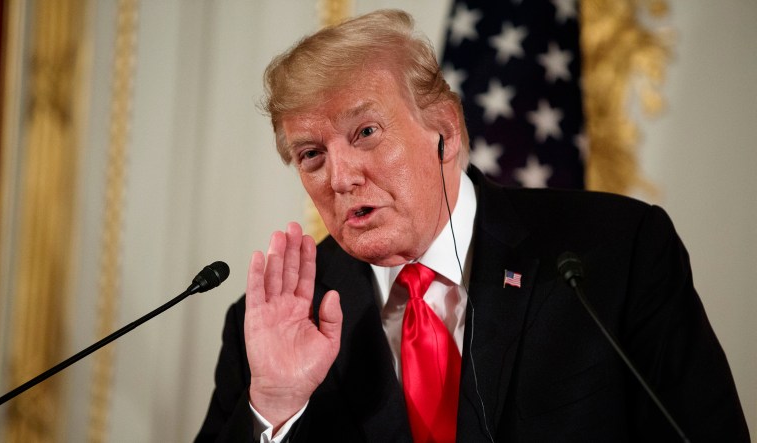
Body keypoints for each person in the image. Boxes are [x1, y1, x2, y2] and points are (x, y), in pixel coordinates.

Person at [196, 9, 749, 442]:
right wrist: (274, 406)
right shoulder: (272, 323)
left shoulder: (614, 253)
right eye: (312, 154)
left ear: (444, 131)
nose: (339, 177)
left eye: (365, 132)